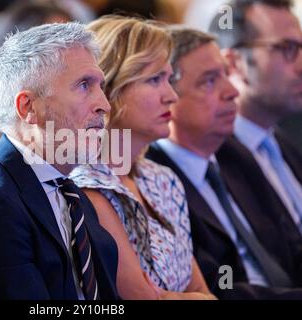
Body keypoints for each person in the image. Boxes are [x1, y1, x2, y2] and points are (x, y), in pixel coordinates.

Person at [0, 22, 119, 300]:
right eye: (84, 85)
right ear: (28, 108)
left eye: (101, 86)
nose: (104, 105)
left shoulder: (71, 194)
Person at [146, 26, 302, 299]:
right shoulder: (155, 180)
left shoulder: (235, 154)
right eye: (209, 81)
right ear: (168, 96)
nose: (231, 91)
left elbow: (290, 245)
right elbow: (219, 289)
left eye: (226, 75)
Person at [69, 15, 215, 300]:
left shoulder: (162, 178)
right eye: (154, 79)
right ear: (109, 89)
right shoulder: (87, 188)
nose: (171, 95)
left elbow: (203, 291)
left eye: (169, 79)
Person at [208, 0, 302, 235]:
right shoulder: (212, 159)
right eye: (286, 48)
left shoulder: (285, 143)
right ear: (234, 63)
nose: (300, 64)